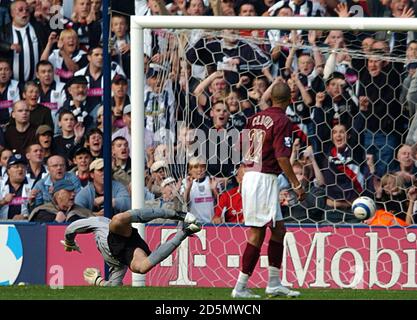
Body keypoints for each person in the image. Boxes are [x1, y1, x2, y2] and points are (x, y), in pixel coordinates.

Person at [231, 81, 305, 298]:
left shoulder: (254, 118)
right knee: (256, 233)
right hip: (264, 179)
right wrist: (297, 184)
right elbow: (282, 157)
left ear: (270, 98)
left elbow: (240, 148)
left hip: (252, 175)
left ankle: (273, 283)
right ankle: (240, 287)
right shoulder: (283, 120)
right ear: (291, 100)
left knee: (279, 230)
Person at [60, 208, 201, 286]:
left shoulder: (98, 222)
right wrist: (97, 281)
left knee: (118, 219)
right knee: (142, 267)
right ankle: (186, 232)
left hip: (118, 236)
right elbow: (113, 287)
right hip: (126, 255)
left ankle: (177, 214)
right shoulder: (117, 266)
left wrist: (70, 242)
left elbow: (72, 228)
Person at [29, 179, 93, 222]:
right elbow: (40, 236)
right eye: (69, 191)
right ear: (58, 195)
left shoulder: (81, 213)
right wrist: (56, 223)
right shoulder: (43, 212)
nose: (73, 194)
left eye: (73, 191)